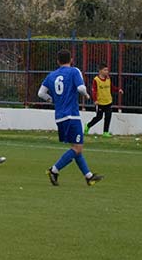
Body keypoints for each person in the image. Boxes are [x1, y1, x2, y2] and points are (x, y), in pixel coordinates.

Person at [38, 50, 103, 187]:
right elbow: (80, 88)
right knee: (77, 148)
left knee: (75, 147)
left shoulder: (51, 75)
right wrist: (86, 95)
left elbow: (41, 93)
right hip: (72, 116)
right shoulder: (74, 71)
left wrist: (51, 99)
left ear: (57, 61)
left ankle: (89, 176)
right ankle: (54, 170)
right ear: (71, 60)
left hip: (60, 117)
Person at [84, 65, 119, 137]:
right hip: (100, 103)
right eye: (105, 70)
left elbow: (111, 87)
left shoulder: (108, 78)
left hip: (108, 101)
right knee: (99, 117)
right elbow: (94, 91)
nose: (107, 72)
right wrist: (95, 100)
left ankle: (105, 132)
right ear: (100, 71)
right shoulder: (96, 80)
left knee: (108, 116)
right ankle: (88, 126)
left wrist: (118, 90)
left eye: (107, 70)